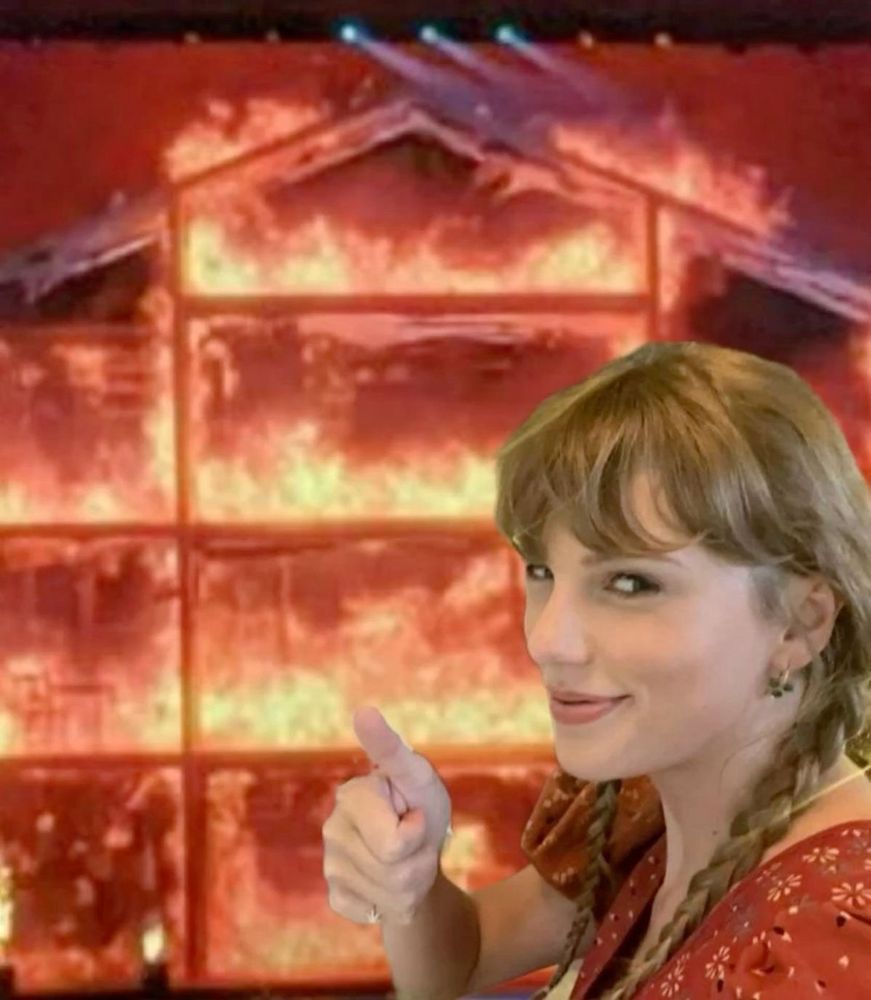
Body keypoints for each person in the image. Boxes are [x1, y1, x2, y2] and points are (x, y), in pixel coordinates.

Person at [322, 340, 871, 999]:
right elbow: (462, 962)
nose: (548, 639)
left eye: (632, 583)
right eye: (541, 571)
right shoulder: (641, 795)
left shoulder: (829, 936)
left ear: (799, 624)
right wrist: (410, 880)